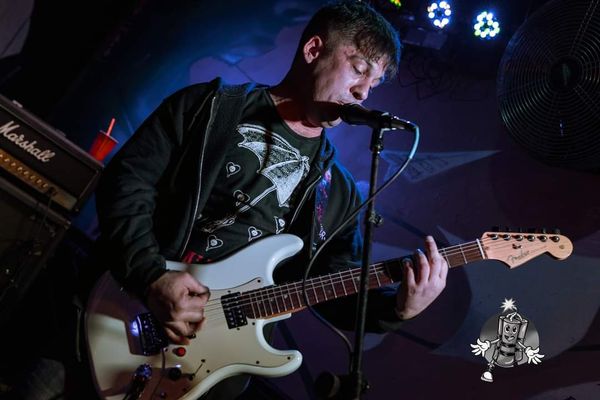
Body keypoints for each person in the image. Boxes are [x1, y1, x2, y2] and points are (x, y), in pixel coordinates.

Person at [93, 0, 448, 397]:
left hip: (207, 368)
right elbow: (126, 184)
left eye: (375, 83)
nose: (364, 91)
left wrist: (397, 308)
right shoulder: (209, 108)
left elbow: (330, 291)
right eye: (359, 68)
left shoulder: (338, 191)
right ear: (313, 50)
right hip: (118, 310)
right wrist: (151, 276)